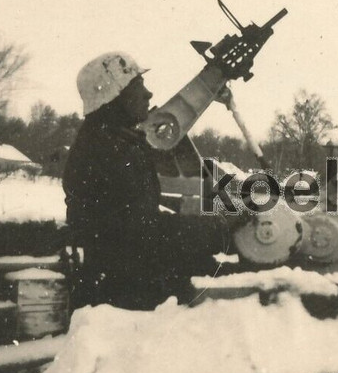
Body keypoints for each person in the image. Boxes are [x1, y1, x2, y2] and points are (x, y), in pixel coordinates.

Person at [63, 52, 227, 311]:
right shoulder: (108, 153)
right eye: (139, 88)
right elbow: (142, 232)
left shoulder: (113, 142)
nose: (149, 95)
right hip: (122, 296)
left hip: (121, 279)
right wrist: (216, 230)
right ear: (115, 97)